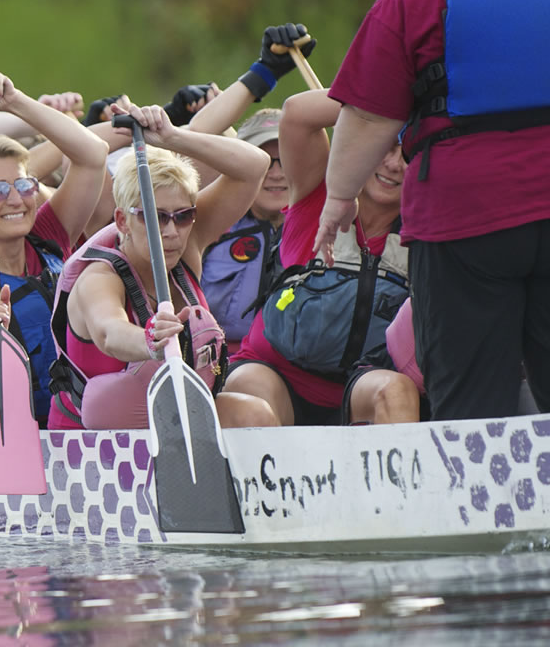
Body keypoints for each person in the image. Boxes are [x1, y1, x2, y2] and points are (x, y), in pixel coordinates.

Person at [315, 0, 550, 421]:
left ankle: (487, 508)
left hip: (464, 220)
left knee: (473, 406)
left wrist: (339, 196)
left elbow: (369, 117)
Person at [49, 105, 272, 429]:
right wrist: (150, 340)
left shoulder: (189, 243)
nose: (170, 231)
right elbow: (109, 332)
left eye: (182, 216)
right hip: (94, 443)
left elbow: (255, 165)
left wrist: (173, 137)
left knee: (256, 413)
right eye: (154, 217)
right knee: (110, 398)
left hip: (174, 420)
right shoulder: (98, 278)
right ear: (123, 221)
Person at [223, 89, 415, 426]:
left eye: (408, 153)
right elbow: (298, 112)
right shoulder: (318, 193)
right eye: (386, 146)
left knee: (396, 391)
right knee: (244, 388)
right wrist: (401, 93)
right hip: (275, 373)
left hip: (361, 388)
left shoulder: (429, 226)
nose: (393, 164)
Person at [0, 71, 108, 428]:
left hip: (68, 427)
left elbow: (92, 154)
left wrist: (14, 102)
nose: (15, 200)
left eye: (24, 185)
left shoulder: (48, 233)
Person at [200, 110, 288, 352]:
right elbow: (193, 138)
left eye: (288, 160)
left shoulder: (330, 228)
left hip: (296, 368)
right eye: (265, 162)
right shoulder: (207, 224)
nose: (277, 174)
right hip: (218, 364)